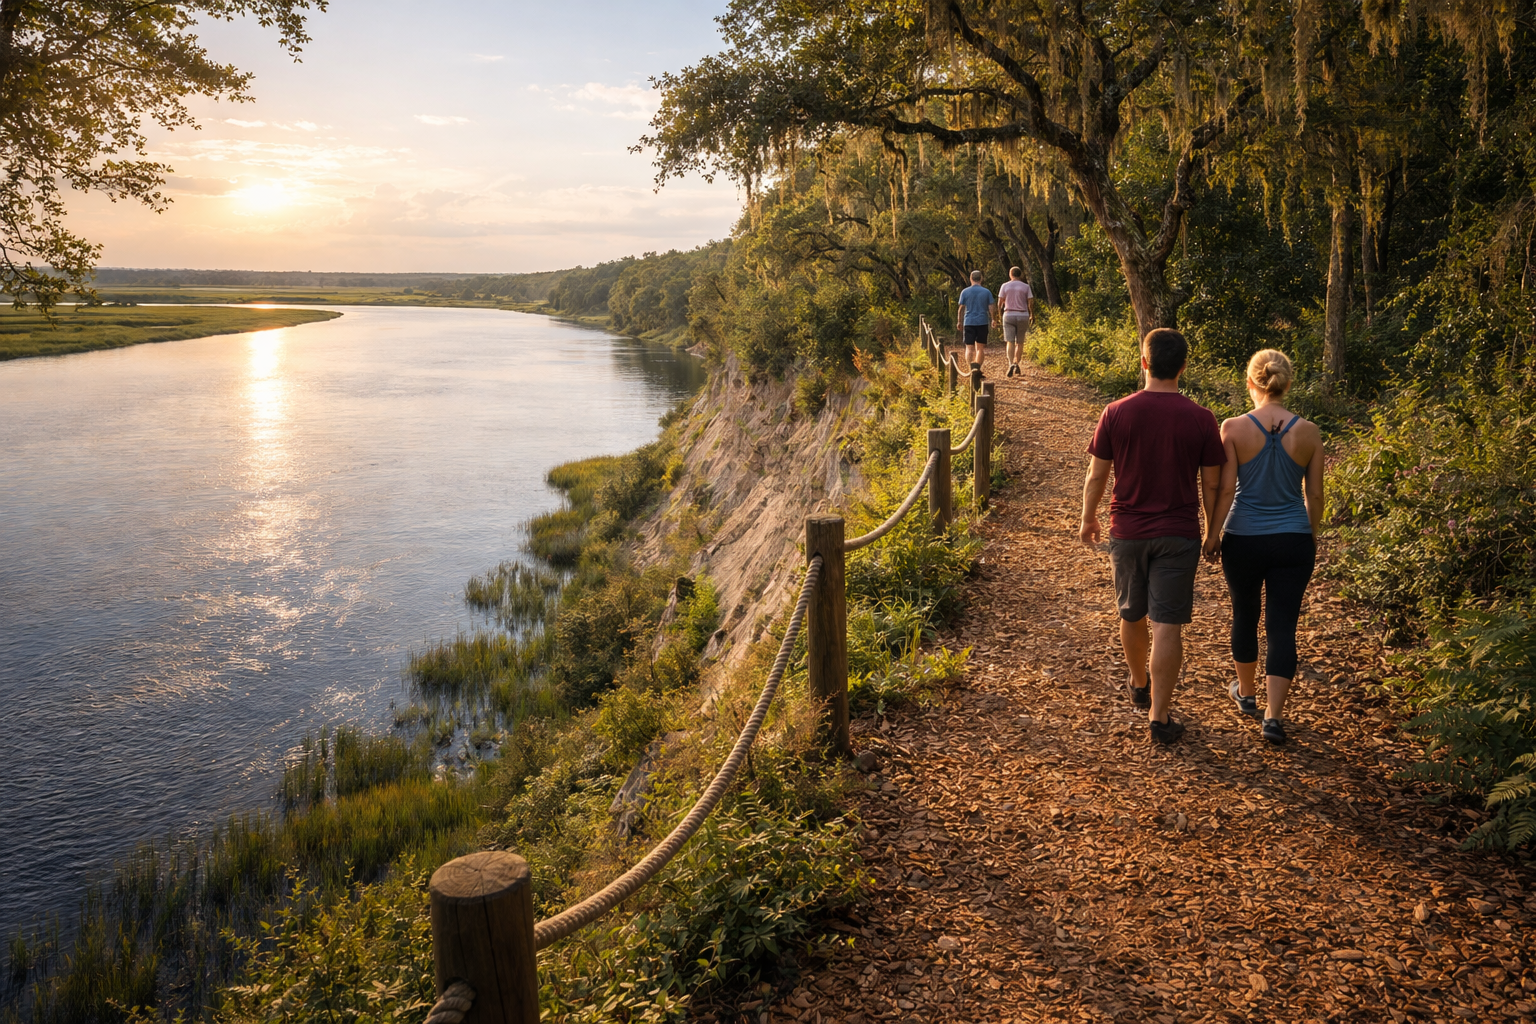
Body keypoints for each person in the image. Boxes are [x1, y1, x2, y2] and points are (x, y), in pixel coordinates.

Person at [1079, 328, 1225, 744]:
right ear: (1182, 367)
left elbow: (1097, 473)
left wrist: (1088, 518)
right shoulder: (1201, 418)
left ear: (1144, 362)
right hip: (1179, 534)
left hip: (1126, 531)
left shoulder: (1116, 412)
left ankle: (1139, 682)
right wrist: (1213, 531)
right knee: (1167, 626)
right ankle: (1160, 718)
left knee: (1131, 612)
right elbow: (1211, 485)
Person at [1204, 349, 1324, 745]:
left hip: (1244, 538)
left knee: (1245, 614)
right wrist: (1311, 533)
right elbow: (1316, 495)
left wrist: (1213, 533)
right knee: (1282, 625)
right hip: (1293, 539)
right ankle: (1273, 717)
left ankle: (1247, 694)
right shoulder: (1309, 432)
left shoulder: (1233, 428)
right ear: (1287, 384)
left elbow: (1224, 488)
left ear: (1251, 383)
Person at [955, 271, 996, 375]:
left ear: (971, 278)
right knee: (980, 348)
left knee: (969, 347)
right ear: (981, 278)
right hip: (982, 321)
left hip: (969, 322)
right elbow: (991, 307)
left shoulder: (965, 292)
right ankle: (977, 368)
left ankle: (971, 369)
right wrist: (993, 319)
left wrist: (959, 321)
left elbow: (960, 309)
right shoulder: (987, 292)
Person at [998, 266, 1034, 377]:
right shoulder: (1026, 287)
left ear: (1011, 274)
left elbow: (999, 303)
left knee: (1010, 341)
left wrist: (999, 315)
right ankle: (1016, 362)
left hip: (1009, 314)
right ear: (1020, 275)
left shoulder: (1005, 286)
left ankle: (1010, 364)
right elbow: (1030, 302)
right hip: (1023, 315)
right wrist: (1031, 314)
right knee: (1020, 342)